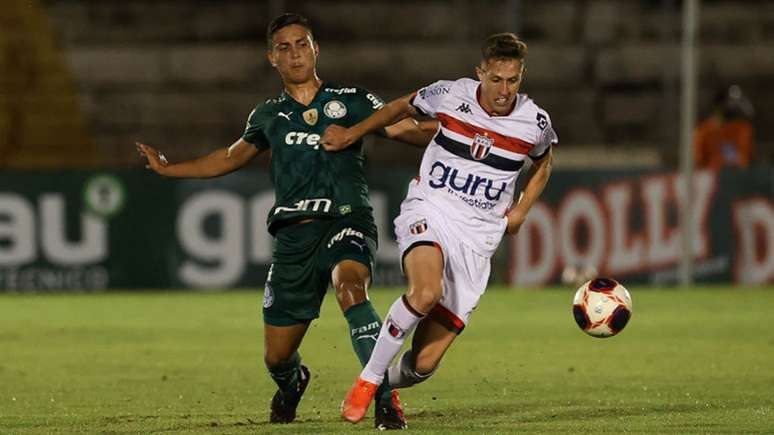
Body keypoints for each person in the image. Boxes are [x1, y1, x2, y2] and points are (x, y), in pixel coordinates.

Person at [136, 13, 435, 430]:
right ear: (271, 58)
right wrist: (170, 170)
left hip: (346, 221)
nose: (294, 53)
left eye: (301, 44)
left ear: (316, 49)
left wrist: (470, 126)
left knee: (351, 288)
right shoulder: (268, 115)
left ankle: (384, 399)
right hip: (294, 237)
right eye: (284, 47)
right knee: (276, 357)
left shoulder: (352, 100)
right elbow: (228, 157)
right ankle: (293, 382)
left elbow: (412, 130)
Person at [321, 32, 556, 424]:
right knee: (426, 291)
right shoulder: (450, 94)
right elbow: (399, 107)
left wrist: (521, 210)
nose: (503, 90)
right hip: (431, 209)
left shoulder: (534, 121)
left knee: (423, 365)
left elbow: (544, 163)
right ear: (480, 72)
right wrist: (351, 133)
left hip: (478, 239)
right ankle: (368, 379)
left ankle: (384, 385)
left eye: (512, 80)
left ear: (522, 76)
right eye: (495, 79)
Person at [693, 85, 755, 170]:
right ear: (718, 106)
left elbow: (746, 159)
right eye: (728, 104)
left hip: (739, 178)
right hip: (713, 179)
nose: (733, 108)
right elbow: (698, 162)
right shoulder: (704, 131)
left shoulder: (743, 129)